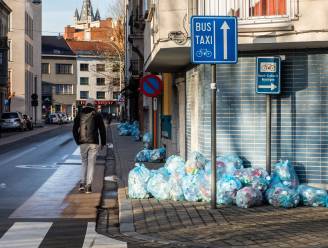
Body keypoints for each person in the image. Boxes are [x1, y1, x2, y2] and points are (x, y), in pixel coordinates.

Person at [73, 98, 106, 194]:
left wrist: (77, 140)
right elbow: (102, 129)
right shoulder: (97, 114)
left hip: (82, 142)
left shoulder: (79, 114)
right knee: (91, 164)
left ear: (86, 104)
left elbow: (74, 129)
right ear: (93, 105)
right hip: (93, 142)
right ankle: (88, 187)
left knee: (84, 162)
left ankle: (82, 184)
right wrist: (103, 143)